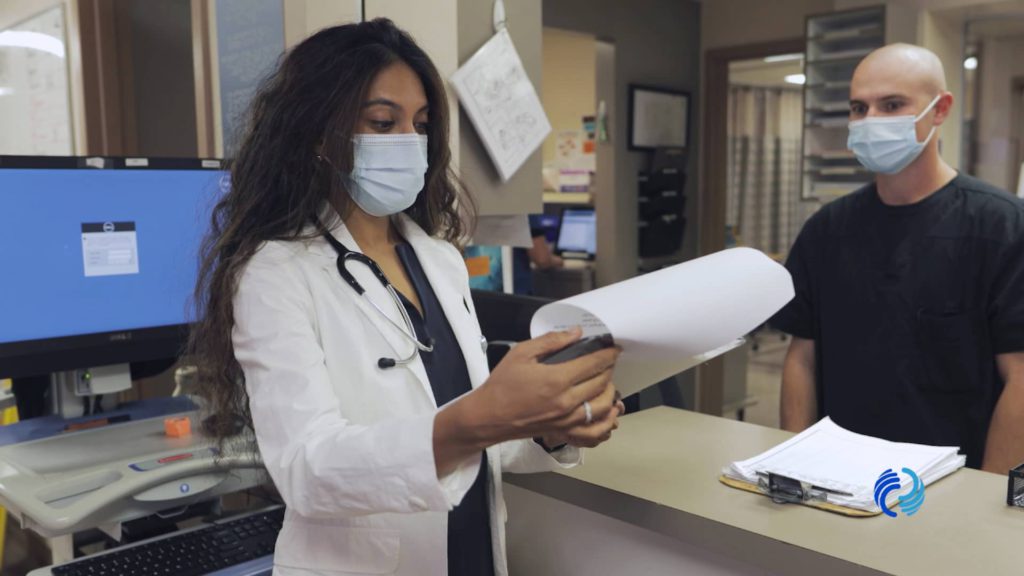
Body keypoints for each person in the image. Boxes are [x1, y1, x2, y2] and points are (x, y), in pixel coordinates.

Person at [188, 20, 623, 576]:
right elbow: (306, 469)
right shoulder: (276, 273)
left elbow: (480, 439)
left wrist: (546, 426)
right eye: (381, 122)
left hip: (474, 551)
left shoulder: (440, 260)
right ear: (320, 135)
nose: (408, 142)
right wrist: (477, 419)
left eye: (420, 124)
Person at [772, 43, 1024, 473]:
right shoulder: (827, 230)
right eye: (858, 108)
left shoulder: (1000, 227)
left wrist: (986, 502)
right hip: (838, 477)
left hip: (950, 484)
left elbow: (1019, 378)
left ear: (940, 109)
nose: (870, 121)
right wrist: (795, 467)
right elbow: (802, 357)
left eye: (891, 105)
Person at [512, 214, 563, 295]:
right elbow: (542, 260)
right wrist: (561, 261)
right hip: (516, 291)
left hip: (488, 287)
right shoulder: (523, 207)